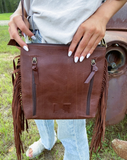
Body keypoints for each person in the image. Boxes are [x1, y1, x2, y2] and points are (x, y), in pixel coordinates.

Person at [8, 0, 127, 159]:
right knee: (37, 107)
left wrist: (102, 15)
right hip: (34, 36)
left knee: (71, 132)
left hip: (76, 44)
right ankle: (47, 140)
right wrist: (19, 11)